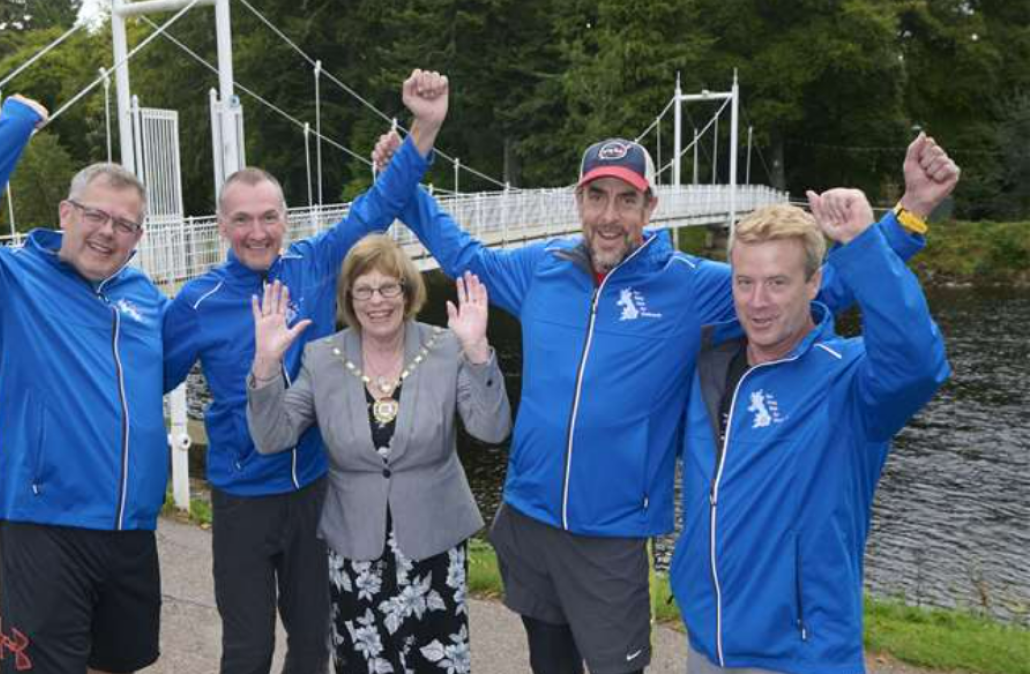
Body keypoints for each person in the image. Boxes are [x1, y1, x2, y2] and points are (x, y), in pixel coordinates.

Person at [370, 131, 960, 674]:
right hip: (528, 518)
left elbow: (804, 289)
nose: (608, 215)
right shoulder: (539, 269)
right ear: (578, 202)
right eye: (595, 197)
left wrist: (905, 221)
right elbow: (463, 256)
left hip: (613, 534)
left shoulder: (695, 285)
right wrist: (404, 184)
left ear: (650, 208)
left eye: (625, 200)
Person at [161, 70, 450, 674]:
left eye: (268, 217)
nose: (257, 232)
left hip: (316, 490)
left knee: (315, 642)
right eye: (242, 220)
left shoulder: (316, 266)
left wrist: (425, 126)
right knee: (247, 648)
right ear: (221, 226)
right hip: (243, 498)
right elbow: (142, 382)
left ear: (285, 219)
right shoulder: (196, 302)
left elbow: (382, 203)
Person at [0, 95, 169, 674]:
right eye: (96, 215)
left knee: (120, 662)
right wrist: (14, 125)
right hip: (46, 522)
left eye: (125, 224)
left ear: (138, 236)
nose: (108, 232)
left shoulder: (144, 300)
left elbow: (167, 370)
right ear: (66, 213)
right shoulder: (9, 281)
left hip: (131, 527)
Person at [669, 190, 951, 674]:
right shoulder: (709, 368)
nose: (757, 302)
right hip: (707, 644)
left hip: (802, 657)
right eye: (745, 282)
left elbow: (917, 364)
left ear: (815, 282)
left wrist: (864, 242)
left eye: (778, 282)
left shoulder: (850, 381)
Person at [245, 235, 511, 673]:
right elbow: (272, 437)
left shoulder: (445, 347)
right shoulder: (322, 357)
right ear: (348, 297)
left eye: (389, 288)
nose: (377, 301)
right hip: (355, 551)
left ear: (408, 292)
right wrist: (266, 366)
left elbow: (492, 429)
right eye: (363, 289)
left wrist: (478, 352)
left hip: (434, 550)